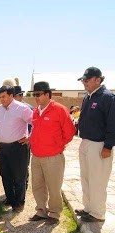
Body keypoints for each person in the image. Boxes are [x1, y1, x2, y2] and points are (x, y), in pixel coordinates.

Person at [27, 82, 75, 225]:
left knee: (54, 186)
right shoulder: (36, 111)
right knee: (37, 186)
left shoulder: (60, 110)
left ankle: (54, 213)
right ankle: (41, 210)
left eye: (38, 94)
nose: (35, 97)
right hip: (36, 156)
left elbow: (70, 132)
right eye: (34, 94)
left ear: (47, 94)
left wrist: (57, 145)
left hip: (53, 156)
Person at [76, 67, 115, 223]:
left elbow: (113, 124)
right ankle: (88, 208)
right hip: (85, 142)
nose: (84, 83)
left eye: (87, 80)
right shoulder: (88, 97)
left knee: (97, 180)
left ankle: (98, 213)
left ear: (98, 80)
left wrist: (108, 146)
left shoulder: (108, 98)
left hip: (99, 145)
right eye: (83, 80)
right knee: (85, 177)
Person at [0, 86, 33, 212]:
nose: (1, 99)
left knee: (19, 176)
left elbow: (36, 123)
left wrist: (30, 137)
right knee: (5, 175)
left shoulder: (22, 108)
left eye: (4, 97)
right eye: (0, 97)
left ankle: (19, 203)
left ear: (12, 95)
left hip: (18, 146)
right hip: (3, 147)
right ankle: (10, 199)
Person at [13, 84, 34, 191]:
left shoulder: (27, 108)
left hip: (24, 142)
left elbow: (34, 124)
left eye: (14, 96)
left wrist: (29, 138)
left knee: (23, 167)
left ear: (20, 96)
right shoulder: (10, 107)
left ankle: (23, 189)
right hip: (13, 143)